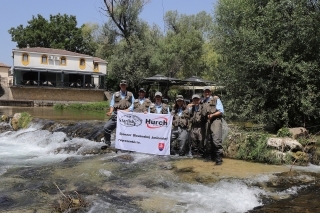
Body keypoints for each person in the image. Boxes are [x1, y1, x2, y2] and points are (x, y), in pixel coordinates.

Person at [101, 79, 135, 150]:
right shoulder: (115, 94)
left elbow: (133, 105)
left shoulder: (130, 95)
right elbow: (112, 105)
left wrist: (126, 110)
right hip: (116, 116)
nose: (123, 86)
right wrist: (110, 112)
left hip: (127, 117)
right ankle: (107, 143)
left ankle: (127, 146)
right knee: (106, 128)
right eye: (122, 85)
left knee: (127, 132)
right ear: (120, 86)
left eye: (124, 85)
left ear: (126, 86)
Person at [202, 86, 225, 165]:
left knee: (216, 140)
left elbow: (221, 111)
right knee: (208, 141)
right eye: (205, 92)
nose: (207, 93)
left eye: (208, 91)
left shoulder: (216, 99)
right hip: (207, 122)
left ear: (211, 92)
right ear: (203, 93)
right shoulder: (203, 101)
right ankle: (212, 159)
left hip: (215, 121)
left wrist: (212, 115)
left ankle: (219, 159)